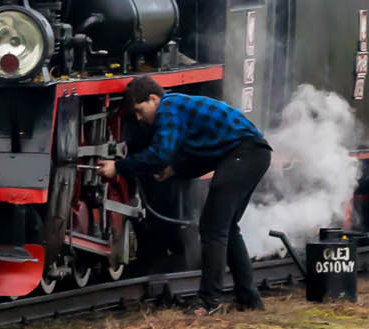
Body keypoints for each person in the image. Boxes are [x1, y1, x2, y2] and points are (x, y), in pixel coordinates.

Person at [101, 74, 270, 311]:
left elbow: (160, 153)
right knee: (228, 228)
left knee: (213, 228)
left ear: (153, 99)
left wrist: (118, 166)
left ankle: (209, 302)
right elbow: (205, 150)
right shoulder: (178, 105)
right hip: (250, 154)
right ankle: (250, 300)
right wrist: (175, 170)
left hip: (244, 154)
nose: (140, 119)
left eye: (140, 110)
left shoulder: (168, 108)